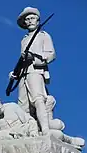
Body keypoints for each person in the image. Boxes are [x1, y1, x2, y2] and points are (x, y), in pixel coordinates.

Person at [10, 7, 55, 136]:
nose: (29, 21)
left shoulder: (43, 36)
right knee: (23, 105)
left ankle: (45, 129)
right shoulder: (24, 39)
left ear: (37, 20)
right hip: (23, 74)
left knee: (38, 99)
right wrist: (15, 73)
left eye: (32, 18)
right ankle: (27, 131)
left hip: (35, 71)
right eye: (27, 19)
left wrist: (34, 57)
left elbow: (51, 55)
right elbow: (21, 60)